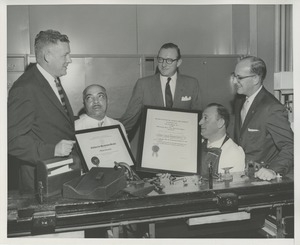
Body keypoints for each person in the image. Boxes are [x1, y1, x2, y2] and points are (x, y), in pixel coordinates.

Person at [8, 29, 79, 192]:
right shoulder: (26, 87)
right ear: (48, 56)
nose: (70, 60)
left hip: (60, 174)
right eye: (65, 55)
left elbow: (52, 118)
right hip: (41, 181)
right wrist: (53, 149)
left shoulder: (51, 80)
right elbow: (11, 141)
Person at [232, 56, 293, 181]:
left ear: (255, 79)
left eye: (239, 78)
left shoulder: (272, 108)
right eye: (234, 76)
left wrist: (273, 170)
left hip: (263, 180)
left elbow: (291, 146)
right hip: (245, 176)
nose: (234, 81)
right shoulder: (240, 101)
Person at [120, 42, 202, 135]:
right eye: (160, 59)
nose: (164, 64)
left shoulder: (192, 84)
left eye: (169, 60)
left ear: (178, 62)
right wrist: (114, 132)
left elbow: (198, 118)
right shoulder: (143, 84)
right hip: (154, 140)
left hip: (182, 139)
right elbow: (130, 117)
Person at [199, 103, 245, 175]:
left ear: (220, 123)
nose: (200, 122)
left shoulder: (233, 153)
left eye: (205, 118)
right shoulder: (197, 144)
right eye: (201, 118)